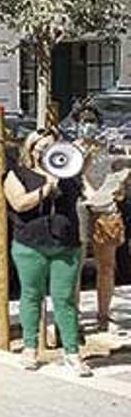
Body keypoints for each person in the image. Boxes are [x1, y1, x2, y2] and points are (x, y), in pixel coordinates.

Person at [4, 130, 92, 377]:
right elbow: (18, 203)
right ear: (30, 150)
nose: (45, 152)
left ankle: (72, 353)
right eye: (40, 148)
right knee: (31, 296)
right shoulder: (18, 174)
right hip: (30, 245)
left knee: (64, 299)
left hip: (66, 246)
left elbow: (88, 193)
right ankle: (30, 348)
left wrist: (82, 157)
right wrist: (45, 189)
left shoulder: (68, 173)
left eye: (50, 147)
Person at [75, 105, 126, 333]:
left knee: (106, 265)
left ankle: (104, 315)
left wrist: (121, 185)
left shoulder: (106, 149)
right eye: (84, 120)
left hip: (105, 206)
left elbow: (118, 172)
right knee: (75, 265)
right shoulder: (72, 150)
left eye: (92, 120)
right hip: (81, 206)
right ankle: (73, 315)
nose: (88, 125)